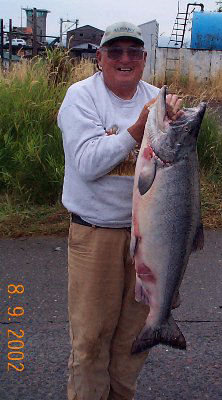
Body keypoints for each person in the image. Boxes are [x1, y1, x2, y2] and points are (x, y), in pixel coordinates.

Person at [58, 21, 183, 400]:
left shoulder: (156, 100)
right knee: (90, 342)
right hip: (94, 235)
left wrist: (174, 125)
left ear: (145, 60)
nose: (125, 59)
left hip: (149, 239)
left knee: (131, 343)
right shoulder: (80, 97)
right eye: (115, 51)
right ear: (99, 58)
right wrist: (137, 129)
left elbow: (177, 171)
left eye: (134, 52)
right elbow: (87, 164)